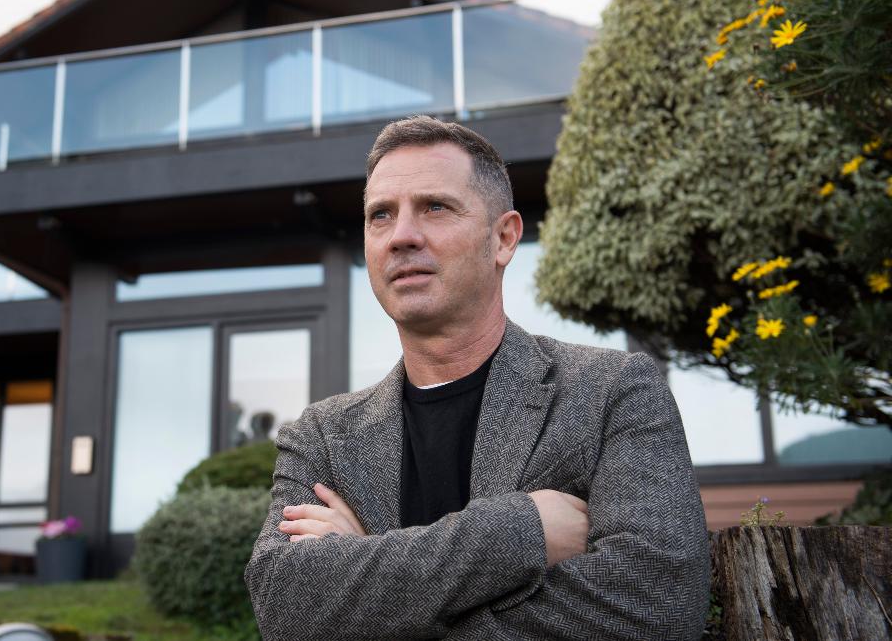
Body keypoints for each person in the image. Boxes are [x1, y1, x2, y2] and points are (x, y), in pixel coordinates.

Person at [243, 116, 710, 640]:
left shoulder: (611, 392)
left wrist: (368, 579)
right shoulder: (322, 437)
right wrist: (520, 531)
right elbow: (284, 607)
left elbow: (657, 606)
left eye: (435, 207)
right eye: (381, 215)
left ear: (504, 238)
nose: (401, 236)